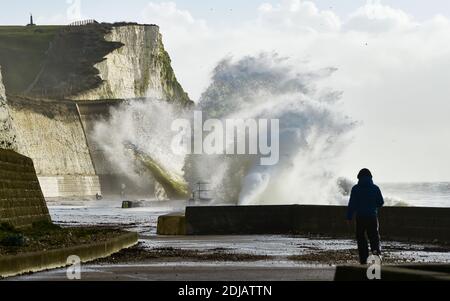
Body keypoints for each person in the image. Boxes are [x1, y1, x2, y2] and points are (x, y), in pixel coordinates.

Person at [346, 168, 384, 264]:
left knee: (361, 239)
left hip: (360, 218)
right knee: (374, 238)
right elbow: (381, 202)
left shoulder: (355, 189)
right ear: (370, 177)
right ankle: (376, 256)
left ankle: (363, 260)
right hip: (372, 217)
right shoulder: (375, 188)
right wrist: (373, 206)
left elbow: (352, 204)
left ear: (359, 177)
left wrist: (349, 217)